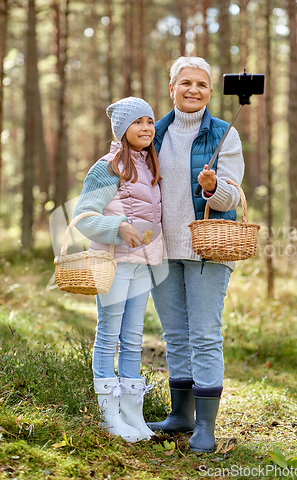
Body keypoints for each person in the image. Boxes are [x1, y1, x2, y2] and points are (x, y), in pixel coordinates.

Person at [147, 56, 245, 452]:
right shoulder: (151, 134)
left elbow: (233, 195)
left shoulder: (225, 134)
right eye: (184, 82)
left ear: (210, 90)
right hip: (161, 248)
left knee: (204, 335)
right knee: (175, 335)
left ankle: (205, 426)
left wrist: (212, 186)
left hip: (209, 249)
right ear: (171, 88)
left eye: (201, 84)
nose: (193, 90)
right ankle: (181, 415)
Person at [73, 97, 162, 442]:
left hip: (143, 264)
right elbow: (83, 216)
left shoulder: (150, 166)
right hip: (113, 264)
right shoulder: (108, 166)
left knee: (133, 339)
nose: (146, 128)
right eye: (137, 122)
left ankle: (133, 416)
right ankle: (109, 417)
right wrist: (118, 228)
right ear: (122, 129)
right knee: (109, 334)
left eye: (149, 122)